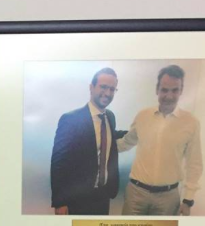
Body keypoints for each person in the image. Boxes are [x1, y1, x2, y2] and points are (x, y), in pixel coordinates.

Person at [118, 65, 203, 216]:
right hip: (136, 194)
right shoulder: (142, 116)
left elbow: (194, 164)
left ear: (181, 90)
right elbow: (126, 143)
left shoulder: (191, 123)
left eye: (174, 90)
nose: (169, 96)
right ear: (157, 89)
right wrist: (98, 145)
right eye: (164, 90)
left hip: (168, 199)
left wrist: (188, 199)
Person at [50, 68, 120, 215]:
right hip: (77, 199)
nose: (107, 93)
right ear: (91, 87)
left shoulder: (110, 117)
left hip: (103, 197)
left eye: (112, 89)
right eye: (103, 87)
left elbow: (108, 137)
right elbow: (58, 163)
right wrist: (60, 202)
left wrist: (138, 133)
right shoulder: (71, 120)